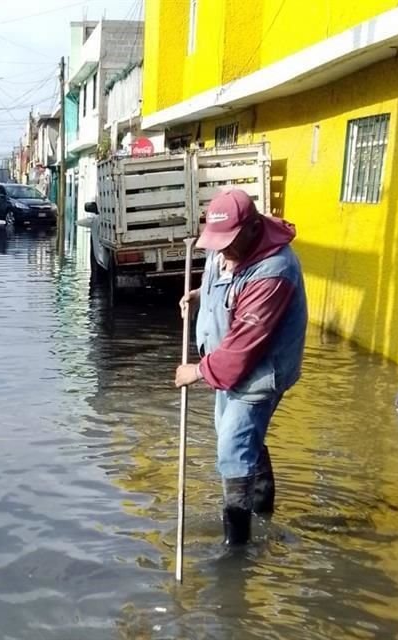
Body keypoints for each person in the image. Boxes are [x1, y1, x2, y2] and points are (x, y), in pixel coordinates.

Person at [174, 188, 307, 545]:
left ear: (251, 229)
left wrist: (196, 372)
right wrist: (201, 296)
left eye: (229, 242)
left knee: (233, 450)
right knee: (239, 439)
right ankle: (262, 513)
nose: (222, 251)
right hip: (227, 368)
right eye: (216, 243)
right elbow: (227, 286)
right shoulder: (226, 248)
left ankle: (237, 548)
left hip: (257, 374)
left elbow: (242, 349)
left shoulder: (274, 271)